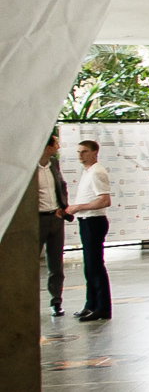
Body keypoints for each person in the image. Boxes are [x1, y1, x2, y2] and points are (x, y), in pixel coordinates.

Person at [68, 139, 113, 322]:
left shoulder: (97, 172)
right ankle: (91, 303)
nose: (80, 155)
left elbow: (104, 200)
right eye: (78, 151)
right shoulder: (87, 171)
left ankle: (102, 307)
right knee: (89, 266)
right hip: (86, 220)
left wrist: (79, 207)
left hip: (93, 221)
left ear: (95, 152)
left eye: (84, 151)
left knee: (95, 265)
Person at [36, 131, 67, 317]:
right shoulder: (31, 168)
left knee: (56, 263)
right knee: (31, 263)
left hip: (56, 218)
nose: (58, 147)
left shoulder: (54, 164)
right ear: (47, 147)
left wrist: (63, 208)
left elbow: (61, 185)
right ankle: (28, 302)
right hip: (37, 220)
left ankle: (56, 301)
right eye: (55, 144)